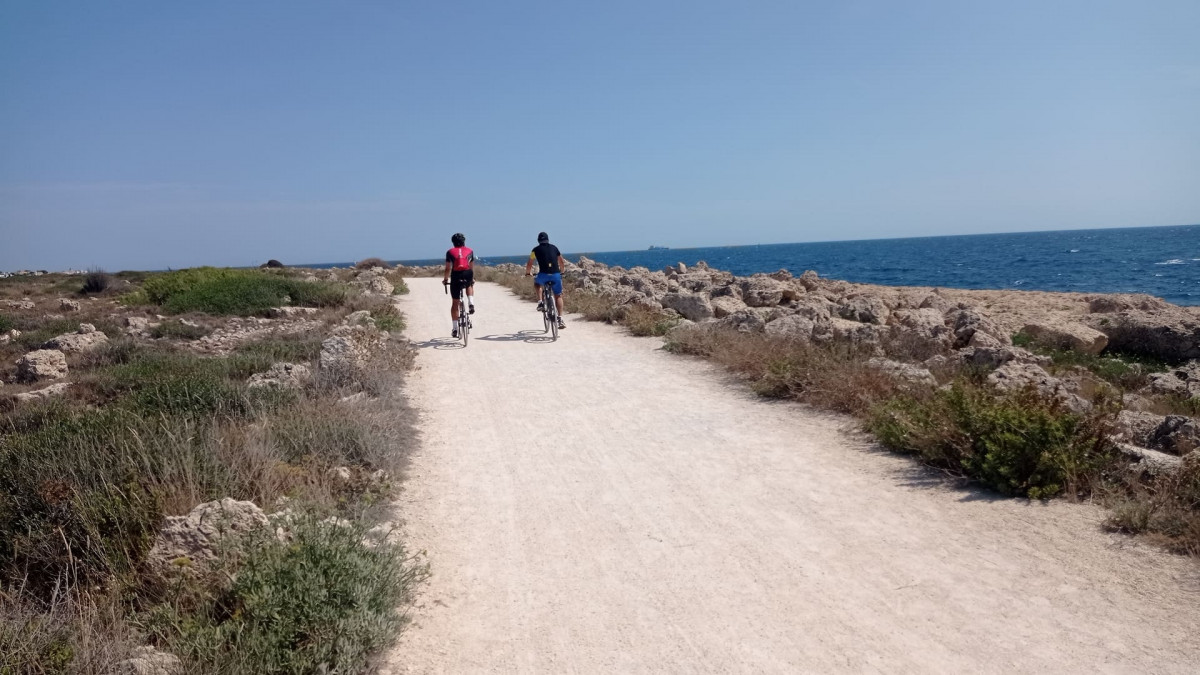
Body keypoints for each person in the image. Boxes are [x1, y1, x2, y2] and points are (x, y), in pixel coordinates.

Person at [524, 231, 566, 330]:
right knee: (558, 296)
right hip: (555, 275)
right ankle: (560, 319)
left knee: (537, 284)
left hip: (543, 275)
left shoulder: (535, 250)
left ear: (538, 240)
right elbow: (561, 262)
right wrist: (562, 271)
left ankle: (540, 302)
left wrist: (527, 273)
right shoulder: (554, 248)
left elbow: (530, 263)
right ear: (548, 239)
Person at [442, 232, 475, 338]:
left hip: (456, 275)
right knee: (469, 284)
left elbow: (447, 268)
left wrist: (445, 279)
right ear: (463, 242)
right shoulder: (470, 250)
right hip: (467, 273)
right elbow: (471, 266)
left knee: (455, 303)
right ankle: (471, 302)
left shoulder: (449, 252)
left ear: (453, 243)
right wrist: (472, 277)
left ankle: (455, 329)